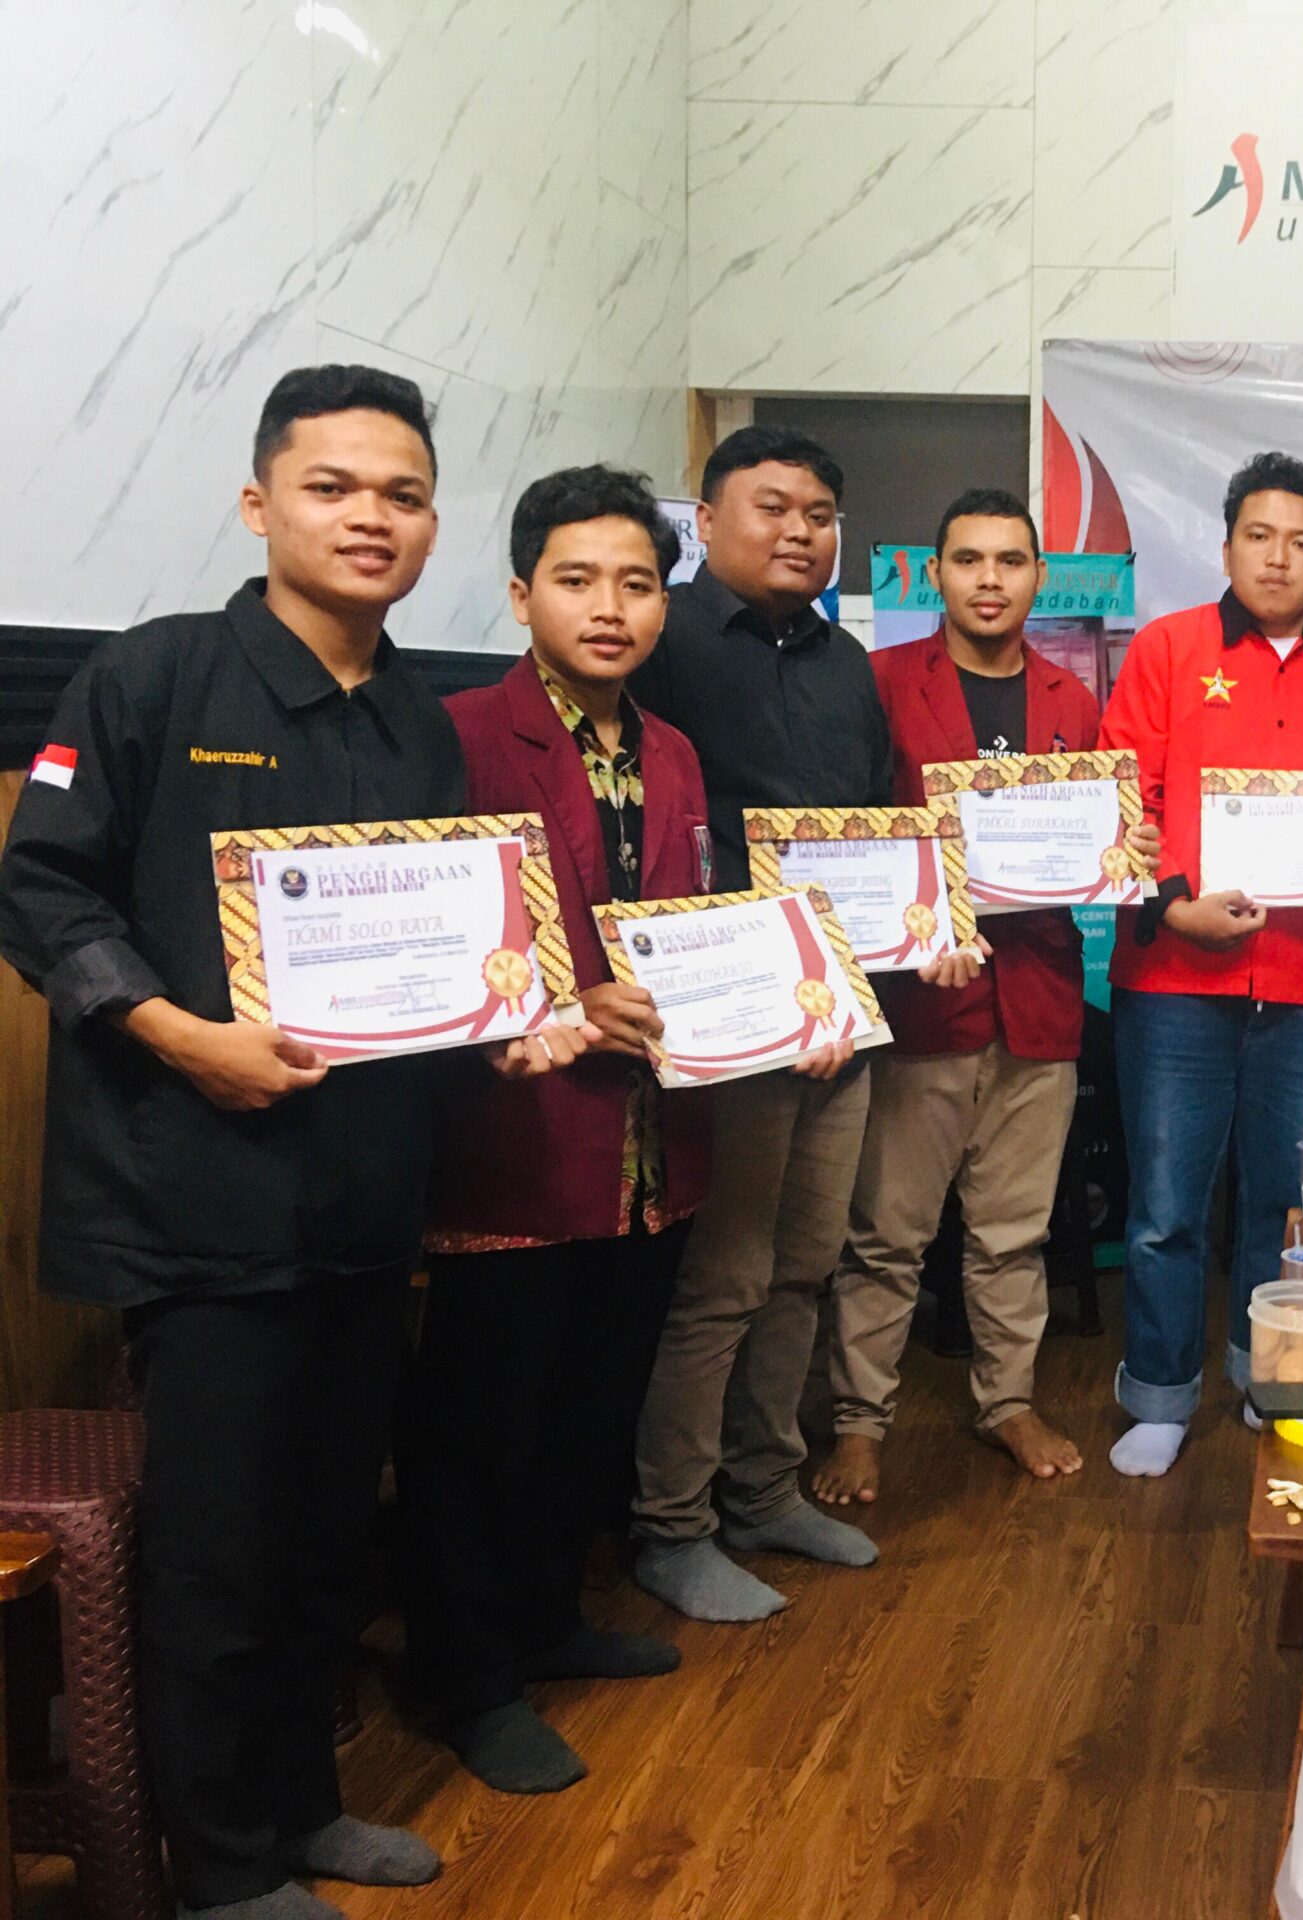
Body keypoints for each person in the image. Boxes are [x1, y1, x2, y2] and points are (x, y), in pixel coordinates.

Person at [0, 366, 592, 1920]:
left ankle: (303, 1807)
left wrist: (503, 1019)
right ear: (261, 503)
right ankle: (220, 1868)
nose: (369, 518)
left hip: (368, 1195)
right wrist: (174, 1032)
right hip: (197, 1200)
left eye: (402, 495)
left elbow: (439, 941)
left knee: (329, 1528)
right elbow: (39, 891)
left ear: (434, 525)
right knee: (219, 1550)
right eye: (332, 488)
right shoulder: (150, 679)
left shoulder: (415, 719)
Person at [622, 425, 980, 1621]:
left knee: (804, 1270)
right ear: (706, 523)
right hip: (722, 1022)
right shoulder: (661, 643)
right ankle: (671, 1523)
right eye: (771, 507)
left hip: (843, 1014)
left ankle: (765, 1487)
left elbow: (872, 830)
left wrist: (924, 927)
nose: (798, 532)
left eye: (819, 515)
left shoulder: (845, 663)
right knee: (722, 1281)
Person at [400, 466, 714, 1795]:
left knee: (592, 1403)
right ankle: (463, 1680)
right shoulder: (457, 735)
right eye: (577, 581)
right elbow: (423, 939)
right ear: (521, 592)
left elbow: (696, 922)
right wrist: (560, 1000)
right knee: (481, 1423)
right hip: (516, 1140)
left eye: (637, 583)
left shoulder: (675, 750)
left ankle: (545, 1619)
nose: (609, 608)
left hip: (653, 1148)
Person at [817, 489, 1159, 1505]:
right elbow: (853, 837)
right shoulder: (881, 683)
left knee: (1013, 1234)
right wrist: (912, 926)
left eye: (1010, 561)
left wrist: (1124, 848)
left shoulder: (1070, 700)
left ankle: (1005, 1401)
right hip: (926, 1003)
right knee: (888, 1237)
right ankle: (859, 1423)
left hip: (1039, 1001)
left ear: (1037, 575)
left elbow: (1090, 847)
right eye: (968, 560)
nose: (990, 579)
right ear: (936, 574)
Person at [1097, 452, 1303, 1478]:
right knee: (1166, 1210)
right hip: (1174, 983)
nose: (1278, 558)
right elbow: (1125, 799)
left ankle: (1267, 1379)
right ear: (1226, 545)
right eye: (1259, 537)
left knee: (1288, 1210)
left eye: (1301, 543)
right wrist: (1174, 902)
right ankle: (1159, 1393)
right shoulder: (1167, 650)